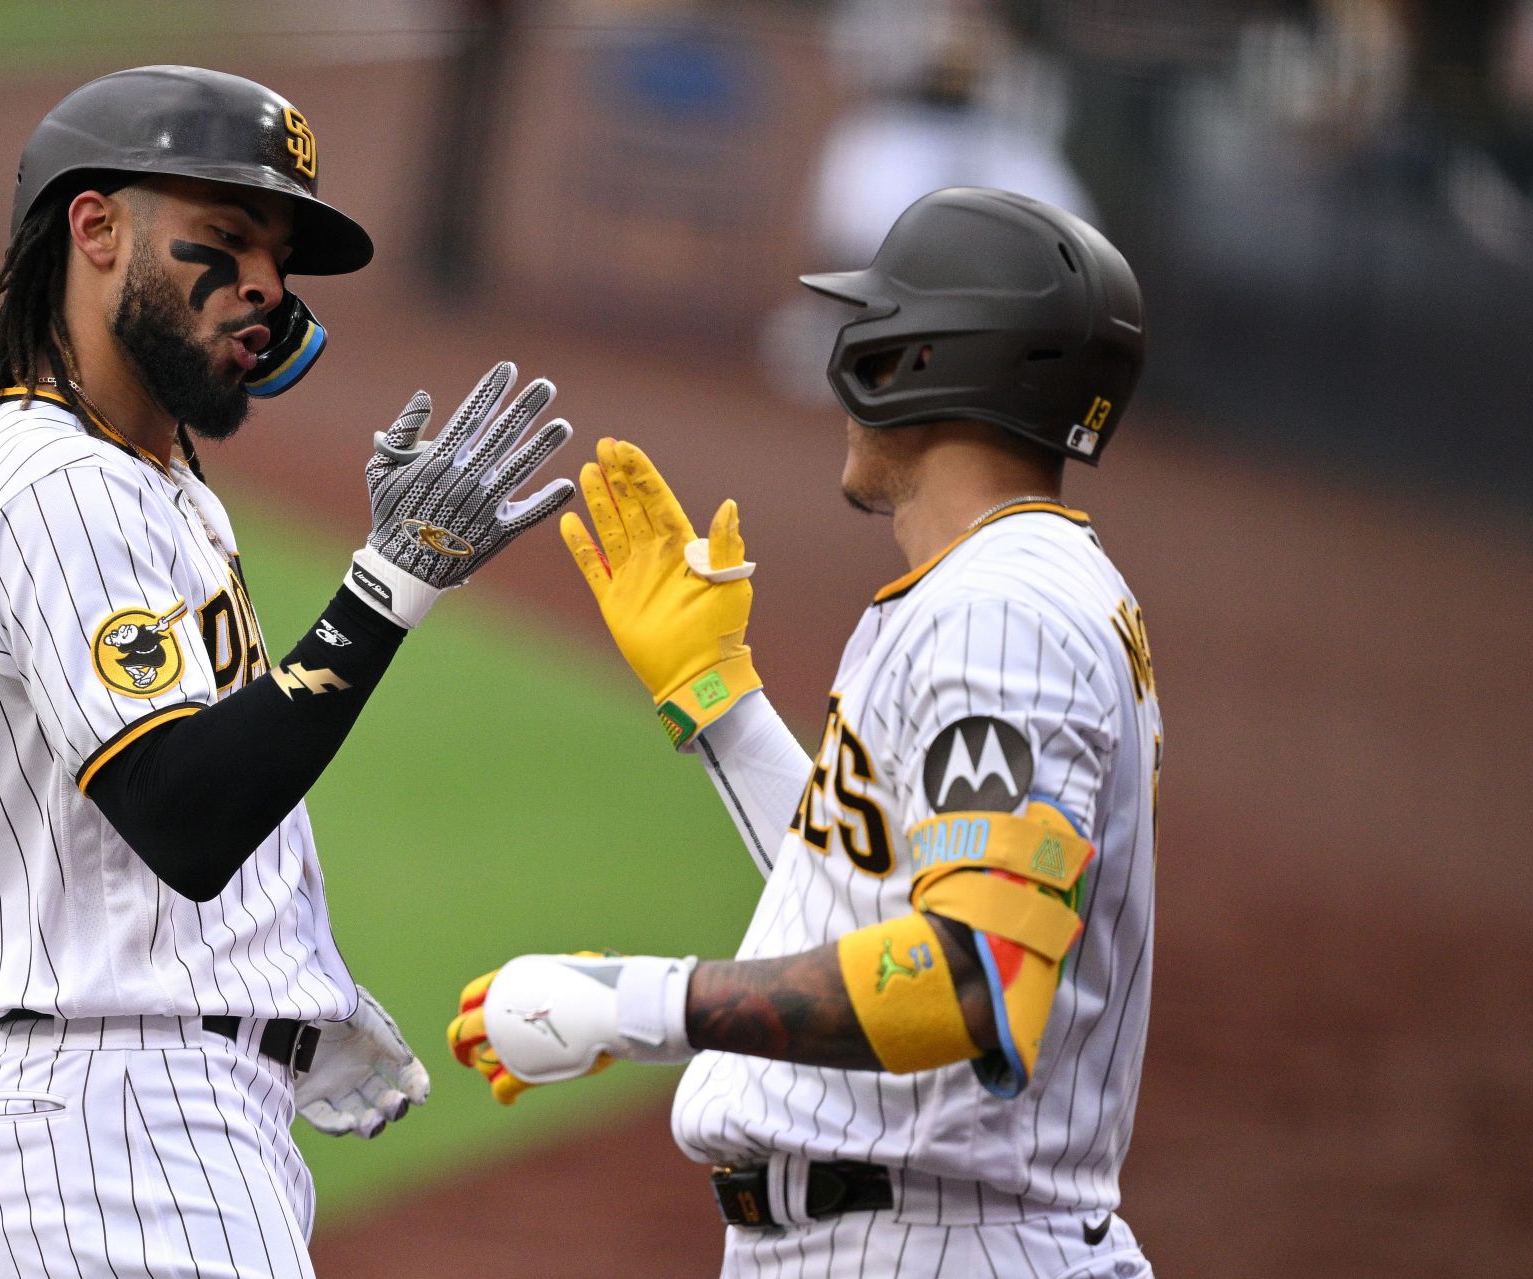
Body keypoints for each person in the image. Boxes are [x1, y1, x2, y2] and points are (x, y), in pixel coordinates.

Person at [0, 66, 575, 1278]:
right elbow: (182, 813)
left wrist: (263, 1007)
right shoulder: (66, 488)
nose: (266, 283)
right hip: (131, 1138)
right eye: (225, 237)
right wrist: (389, 586)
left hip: (127, 1116)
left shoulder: (144, 479)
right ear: (95, 227)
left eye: (280, 255)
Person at [449, 187, 1159, 1277]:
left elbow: (971, 971)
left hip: (933, 1242)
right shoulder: (1006, 590)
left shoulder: (1006, 614)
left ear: (920, 359)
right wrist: (719, 702)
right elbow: (887, 894)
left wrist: (633, 1004)